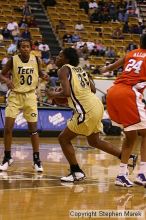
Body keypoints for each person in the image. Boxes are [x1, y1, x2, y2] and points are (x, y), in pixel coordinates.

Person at [47, 48, 137, 183]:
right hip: (96, 105)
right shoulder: (82, 70)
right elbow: (93, 90)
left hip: (86, 109)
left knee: (63, 139)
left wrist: (53, 94)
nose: (57, 58)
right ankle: (127, 157)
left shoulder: (63, 70)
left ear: (67, 59)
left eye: (60, 56)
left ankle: (76, 172)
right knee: (94, 141)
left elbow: (66, 93)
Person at [100, 33, 146, 187]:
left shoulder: (131, 54)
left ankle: (122, 174)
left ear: (140, 43)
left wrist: (103, 69)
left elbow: (109, 68)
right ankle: (142, 174)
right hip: (128, 94)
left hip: (113, 92)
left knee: (131, 136)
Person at [0, 39, 49, 172]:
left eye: (27, 46)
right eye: (23, 47)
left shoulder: (36, 59)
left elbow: (39, 72)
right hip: (15, 95)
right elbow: (2, 75)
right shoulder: (13, 60)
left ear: (30, 48)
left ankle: (36, 159)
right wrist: (7, 80)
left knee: (33, 129)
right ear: (19, 48)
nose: (25, 49)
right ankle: (7, 157)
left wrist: (44, 75)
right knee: (8, 128)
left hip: (30, 96)